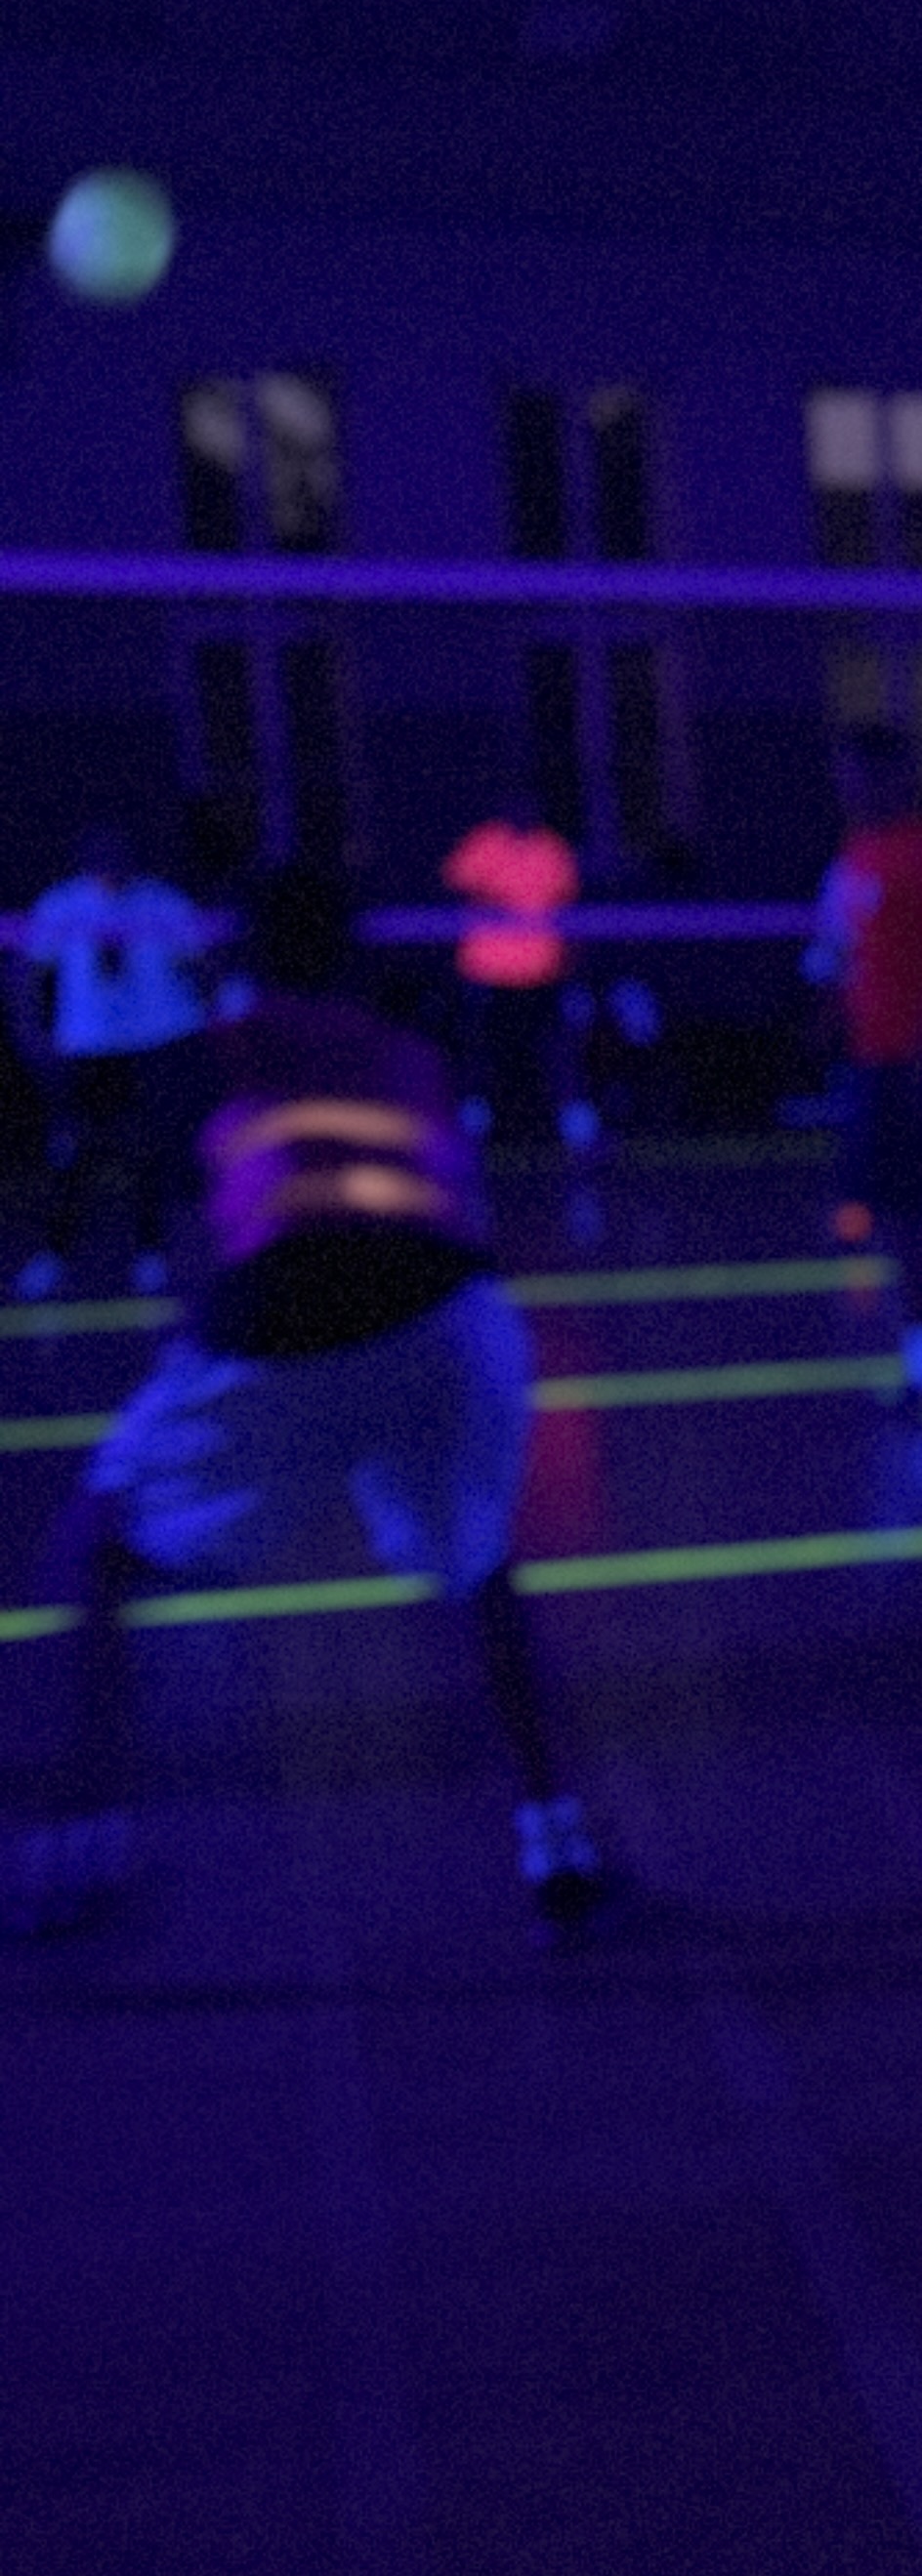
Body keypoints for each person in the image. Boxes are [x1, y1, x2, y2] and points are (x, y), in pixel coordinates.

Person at [12, 863, 603, 1938]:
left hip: (294, 1315)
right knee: (481, 1568)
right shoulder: (411, 1053)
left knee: (95, 1552)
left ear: (243, 951)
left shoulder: (210, 1054)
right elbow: (452, 1203)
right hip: (453, 1320)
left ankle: (74, 1850)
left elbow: (208, 1240)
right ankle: (558, 1842)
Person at [806, 727, 922, 1392]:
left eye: (863, 776)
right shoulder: (856, 855)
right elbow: (846, 952)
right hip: (873, 1060)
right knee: (894, 1213)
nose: (852, 789)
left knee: (913, 1211)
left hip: (911, 1062)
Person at [12, 824, 223, 1294]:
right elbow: (29, 972)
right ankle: (55, 1253)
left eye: (118, 854)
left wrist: (215, 1020)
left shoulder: (163, 902)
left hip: (155, 1040)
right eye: (100, 856)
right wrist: (33, 1032)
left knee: (149, 1148)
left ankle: (151, 1252)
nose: (110, 866)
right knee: (73, 1149)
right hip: (88, 1046)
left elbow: (203, 963)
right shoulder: (61, 904)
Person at [440, 810, 583, 1144]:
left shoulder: (552, 847)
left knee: (556, 1051)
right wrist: (493, 900)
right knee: (481, 1053)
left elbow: (568, 907)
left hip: (542, 972)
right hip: (487, 972)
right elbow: (454, 887)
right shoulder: (484, 842)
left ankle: (579, 1134)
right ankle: (471, 1133)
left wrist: (570, 964)